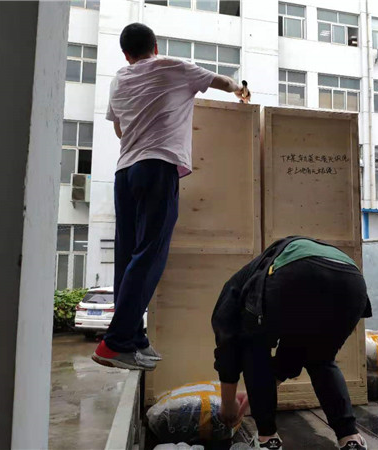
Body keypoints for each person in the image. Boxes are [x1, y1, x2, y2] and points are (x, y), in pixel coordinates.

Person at [92, 23, 249, 371]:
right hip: (157, 167)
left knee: (128, 258)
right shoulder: (174, 67)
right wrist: (240, 89)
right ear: (155, 47)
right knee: (150, 255)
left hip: (125, 172)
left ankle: (134, 338)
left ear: (126, 54)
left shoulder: (119, 79)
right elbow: (223, 83)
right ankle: (115, 343)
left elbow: (119, 129)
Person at [211, 237, 372, 450]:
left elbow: (229, 347)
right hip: (352, 282)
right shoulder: (263, 277)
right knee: (321, 359)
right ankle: (350, 439)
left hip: (297, 273)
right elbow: (293, 356)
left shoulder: (233, 291)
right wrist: (256, 395)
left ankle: (268, 439)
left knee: (255, 350)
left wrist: (228, 403)